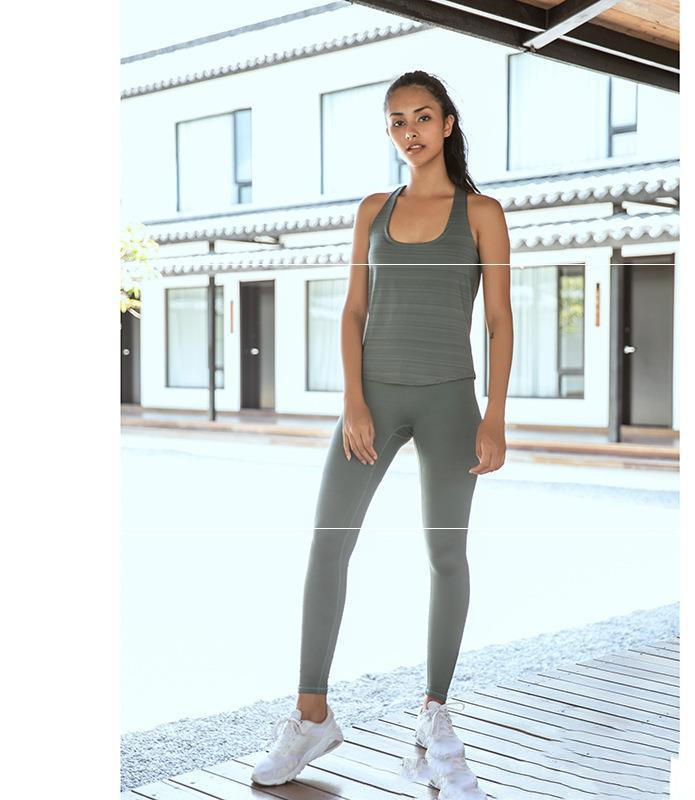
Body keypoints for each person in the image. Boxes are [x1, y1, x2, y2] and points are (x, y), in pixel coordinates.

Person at [252, 70, 512, 797]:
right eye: (397, 120)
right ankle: (310, 716)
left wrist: (494, 414)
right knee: (327, 545)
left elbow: (498, 318)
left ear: (448, 124)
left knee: (446, 555)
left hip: (451, 402)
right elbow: (352, 311)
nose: (410, 131)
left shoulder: (483, 213)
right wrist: (352, 401)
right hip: (371, 401)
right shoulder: (373, 210)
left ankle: (434, 719)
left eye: (422, 117)